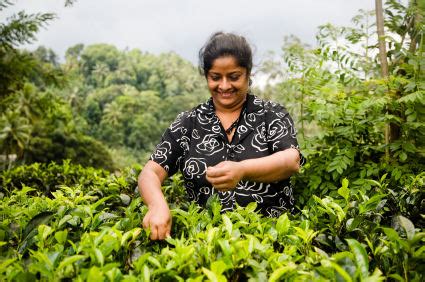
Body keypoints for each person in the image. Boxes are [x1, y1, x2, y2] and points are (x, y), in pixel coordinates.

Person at [138, 32, 304, 240]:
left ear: (248, 74)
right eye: (215, 77)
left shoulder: (271, 114)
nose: (224, 86)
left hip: (271, 243)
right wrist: (157, 205)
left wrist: (242, 170)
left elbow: (291, 160)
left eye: (234, 77)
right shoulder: (189, 122)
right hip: (205, 246)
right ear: (207, 76)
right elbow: (150, 173)